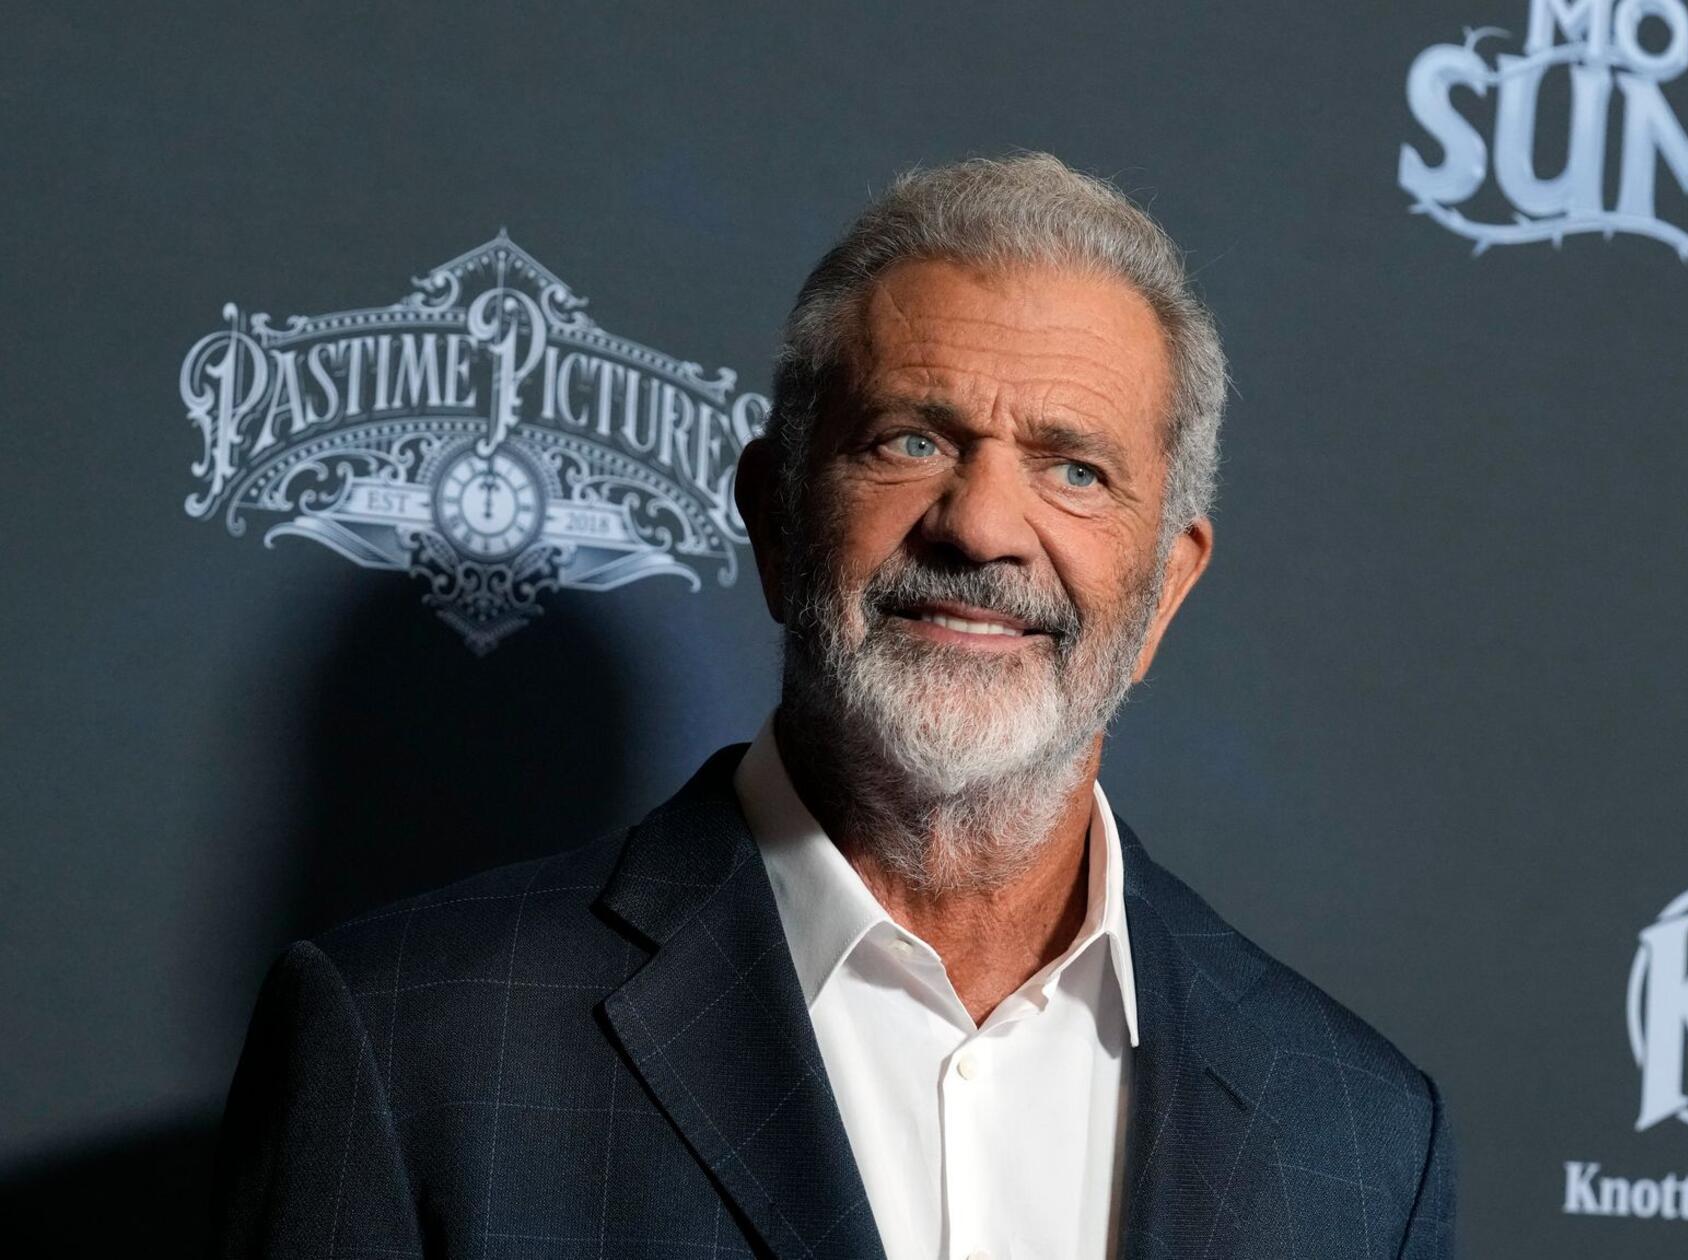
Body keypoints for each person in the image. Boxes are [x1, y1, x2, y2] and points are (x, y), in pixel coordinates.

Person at [213, 153, 1455, 1260]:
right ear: (773, 518)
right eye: (910, 441)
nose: (980, 526)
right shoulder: (411, 1044)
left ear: (1165, 589)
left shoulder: (1352, 1133)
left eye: (1073, 469)